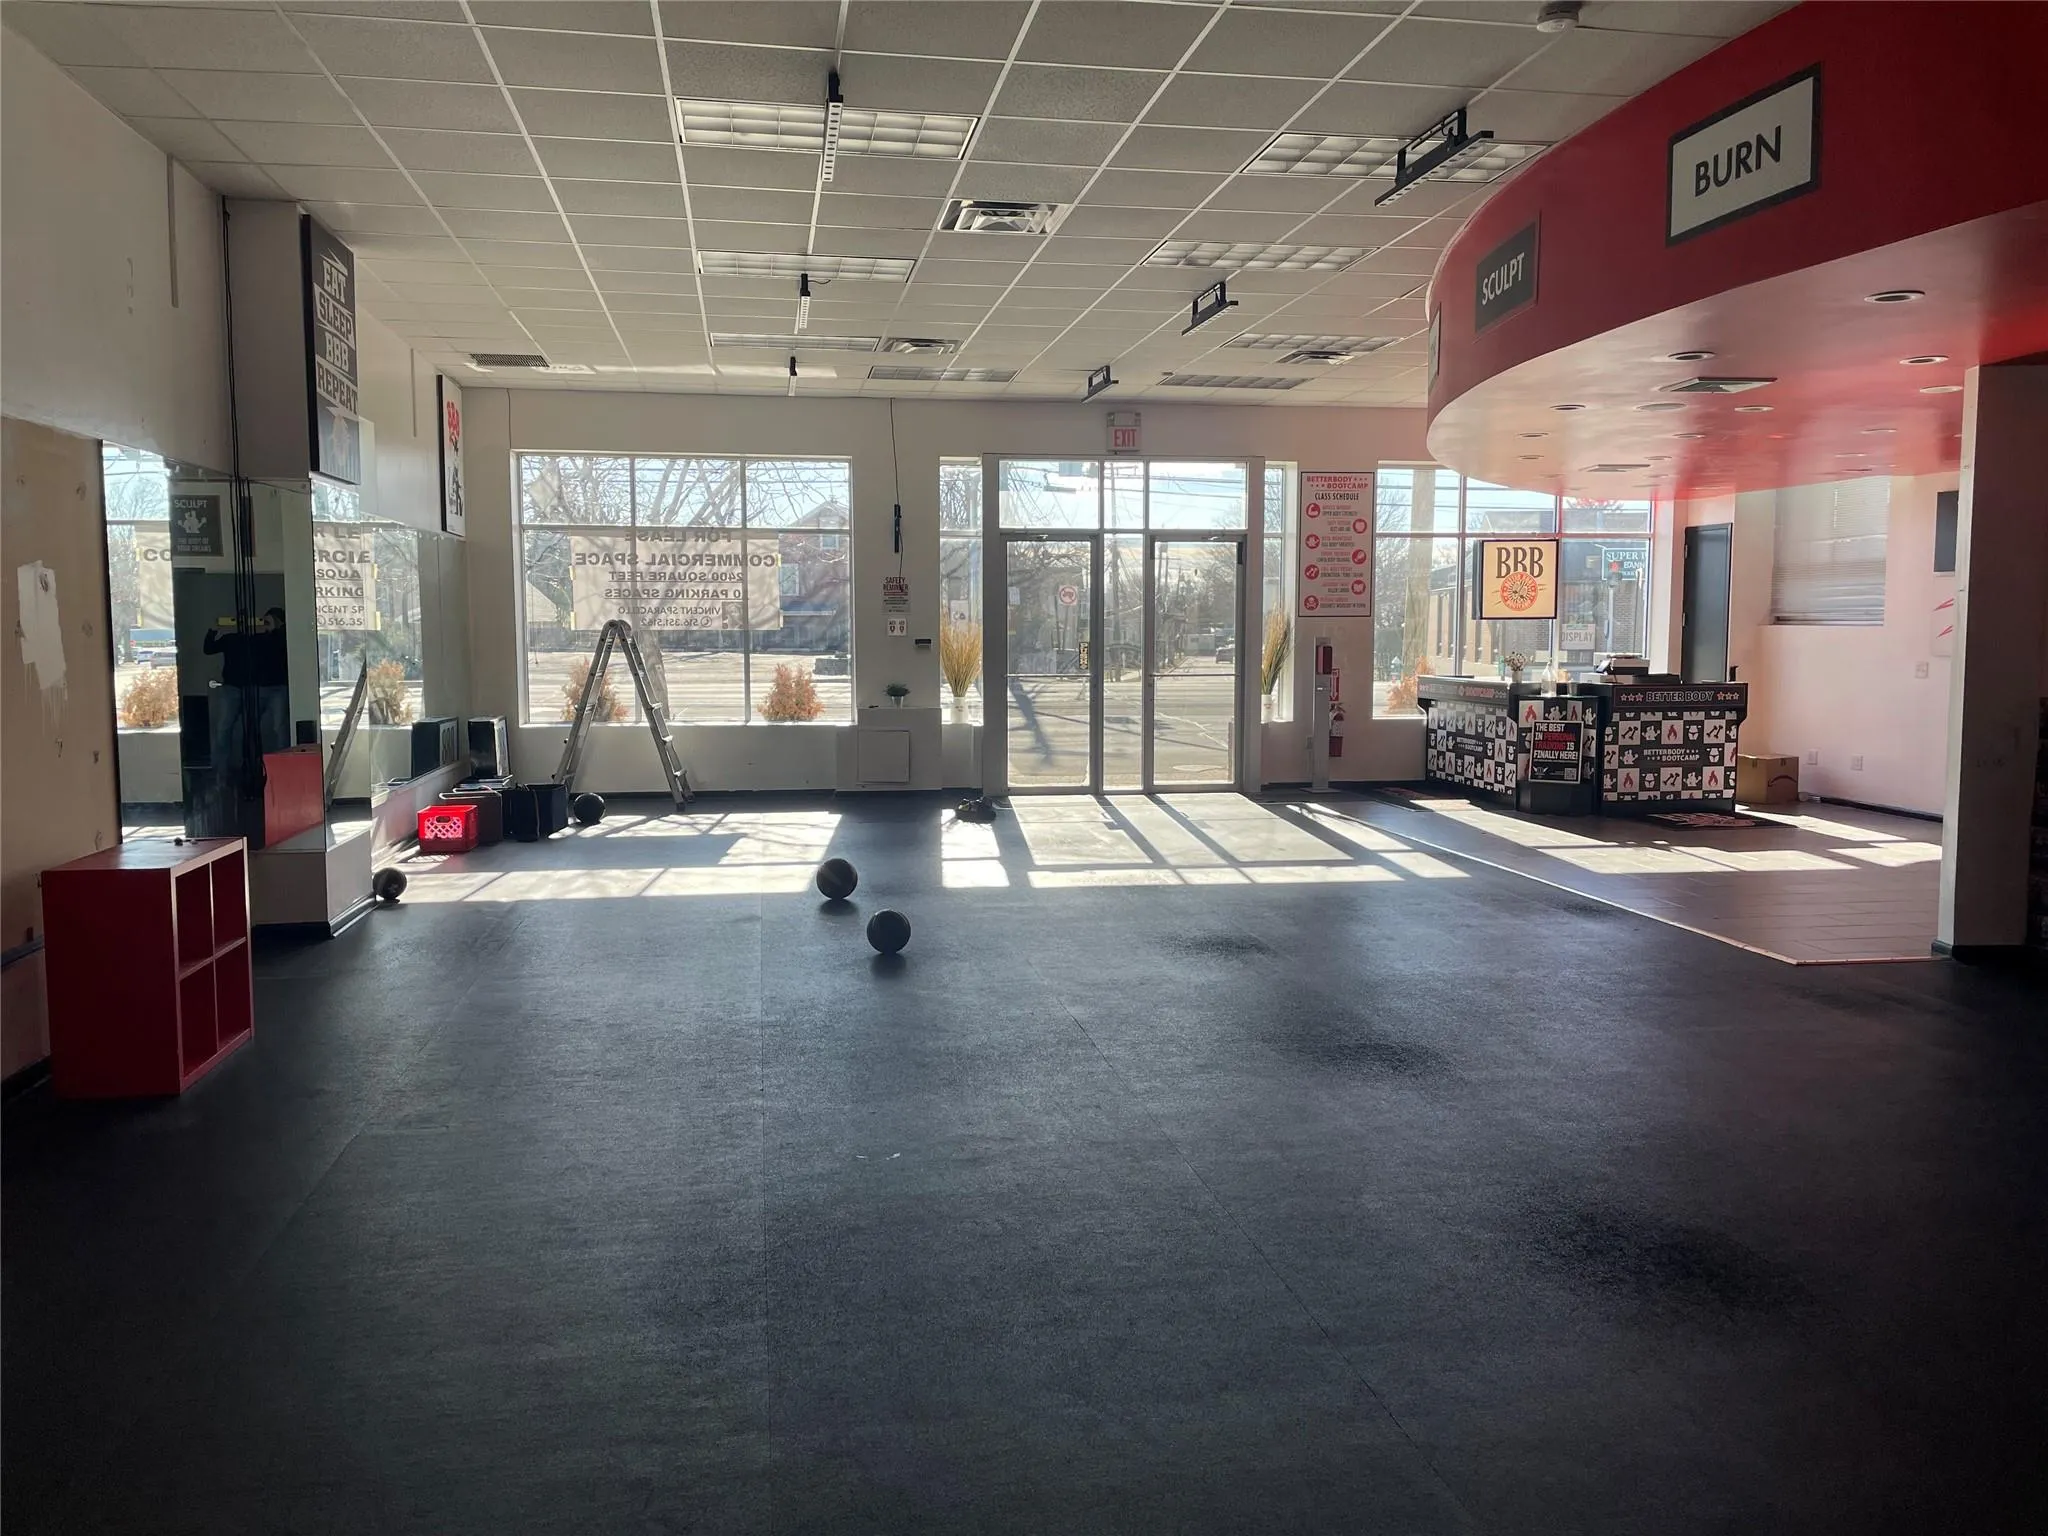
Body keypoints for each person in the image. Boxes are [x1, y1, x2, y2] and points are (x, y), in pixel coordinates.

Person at [205, 606, 292, 759]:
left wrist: (274, 626)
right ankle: (233, 770)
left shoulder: (268, 638)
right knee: (234, 728)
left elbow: (280, 640)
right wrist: (214, 629)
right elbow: (209, 649)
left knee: (279, 727)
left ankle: (282, 766)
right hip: (244, 688)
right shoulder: (232, 639)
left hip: (269, 687)